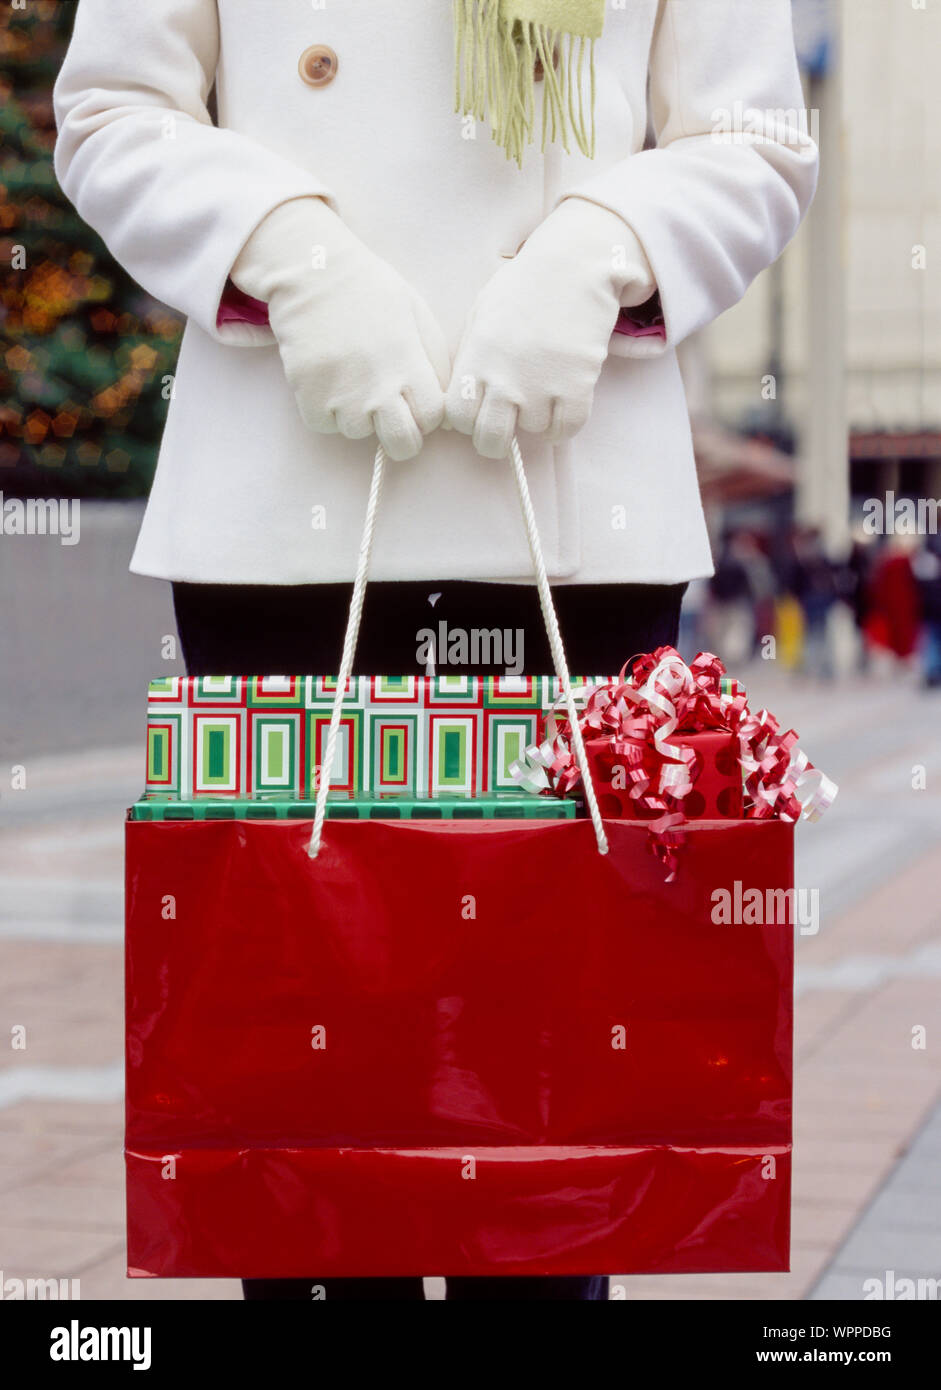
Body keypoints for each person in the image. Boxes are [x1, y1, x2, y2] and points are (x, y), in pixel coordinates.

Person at [53, 0, 817, 1301]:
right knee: (300, 1079)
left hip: (571, 499)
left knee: (554, 1073)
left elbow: (752, 135)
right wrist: (284, 246)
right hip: (286, 495)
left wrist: (600, 246)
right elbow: (113, 109)